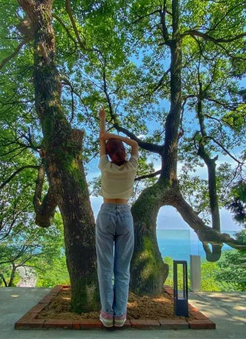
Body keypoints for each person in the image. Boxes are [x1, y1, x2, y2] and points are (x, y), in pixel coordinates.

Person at [96, 107, 139, 328]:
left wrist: (102, 121)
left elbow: (102, 141)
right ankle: (120, 315)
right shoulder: (132, 167)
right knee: (122, 269)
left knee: (105, 267)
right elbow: (135, 145)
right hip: (125, 214)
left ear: (109, 154)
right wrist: (117, 137)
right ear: (122, 151)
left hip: (105, 214)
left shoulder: (105, 166)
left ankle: (107, 314)